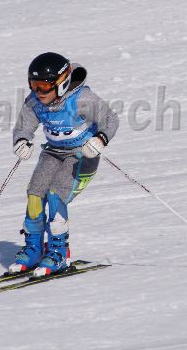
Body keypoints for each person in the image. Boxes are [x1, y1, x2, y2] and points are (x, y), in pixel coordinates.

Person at [9, 52, 119, 276]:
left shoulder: (82, 99)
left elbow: (110, 119)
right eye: (34, 85)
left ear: (62, 83)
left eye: (43, 86)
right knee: (35, 194)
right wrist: (21, 141)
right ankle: (34, 249)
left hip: (81, 156)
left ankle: (59, 253)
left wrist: (100, 139)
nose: (38, 92)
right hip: (52, 153)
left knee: (55, 194)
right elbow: (24, 126)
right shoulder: (35, 101)